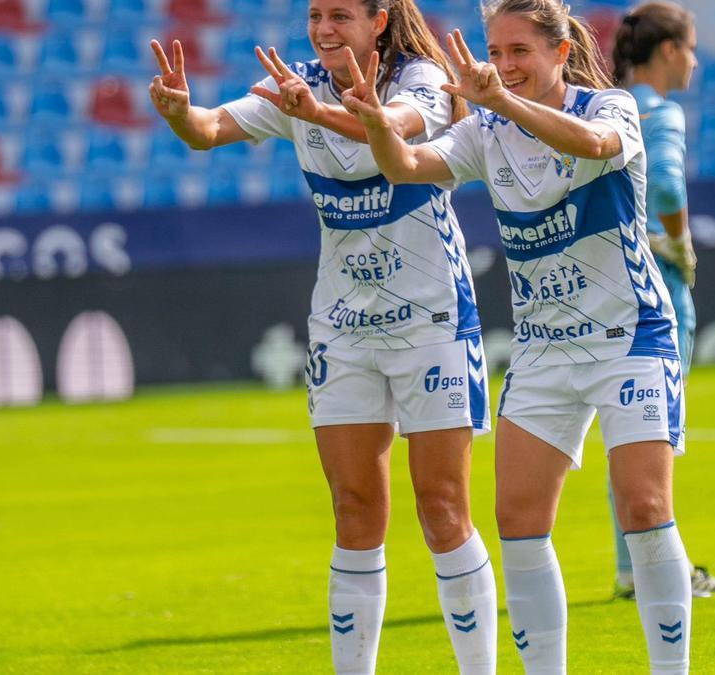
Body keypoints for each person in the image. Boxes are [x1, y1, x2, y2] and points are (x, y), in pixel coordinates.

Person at [147, 2, 499, 672]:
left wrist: (313, 111)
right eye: (315, 14)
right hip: (342, 328)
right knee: (354, 509)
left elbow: (395, 127)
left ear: (379, 22)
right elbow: (210, 128)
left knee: (443, 508)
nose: (323, 27)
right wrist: (177, 113)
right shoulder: (297, 82)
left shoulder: (421, 77)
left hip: (431, 322)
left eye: (341, 14)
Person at [342, 1, 693, 671]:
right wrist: (374, 124)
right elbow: (405, 168)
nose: (502, 65)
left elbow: (589, 148)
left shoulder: (611, 108)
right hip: (542, 351)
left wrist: (499, 100)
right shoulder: (487, 133)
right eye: (494, 52)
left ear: (561, 53)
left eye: (519, 52)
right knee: (519, 522)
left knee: (645, 505)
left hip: (631, 339)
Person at [609, 0, 715, 601]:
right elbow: (663, 184)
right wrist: (681, 244)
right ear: (666, 52)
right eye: (688, 47)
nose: (693, 60)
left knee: (624, 432)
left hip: (606, 287)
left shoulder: (603, 107)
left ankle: (635, 567)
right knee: (654, 434)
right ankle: (660, 569)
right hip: (656, 286)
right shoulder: (659, 112)